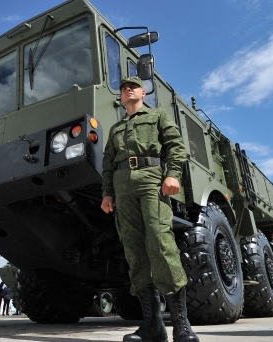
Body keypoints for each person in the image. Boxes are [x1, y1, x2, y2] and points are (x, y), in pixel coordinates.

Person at [101, 77, 198, 342]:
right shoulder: (115, 128)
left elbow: (176, 147)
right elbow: (108, 163)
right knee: (134, 250)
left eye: (133, 86)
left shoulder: (157, 115)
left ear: (143, 92)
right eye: (123, 89)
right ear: (120, 98)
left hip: (151, 180)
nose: (128, 90)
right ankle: (152, 326)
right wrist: (107, 193)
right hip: (122, 188)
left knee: (160, 242)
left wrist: (173, 174)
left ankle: (182, 325)